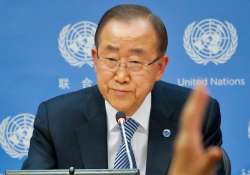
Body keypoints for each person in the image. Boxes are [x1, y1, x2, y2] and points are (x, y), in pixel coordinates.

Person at [22, 4, 226, 175]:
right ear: (94, 59)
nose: (121, 76)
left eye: (136, 62)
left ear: (160, 67)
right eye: (110, 59)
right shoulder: (56, 119)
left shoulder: (197, 118)